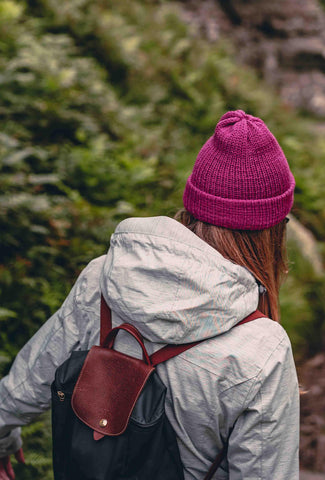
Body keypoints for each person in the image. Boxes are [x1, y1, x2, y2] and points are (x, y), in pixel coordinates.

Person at [0, 110, 299, 479]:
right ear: (273, 232)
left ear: (192, 209)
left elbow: (23, 388)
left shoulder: (103, 280)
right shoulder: (263, 349)